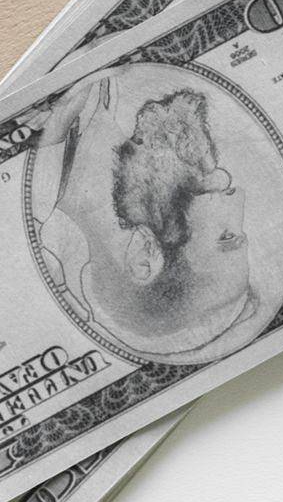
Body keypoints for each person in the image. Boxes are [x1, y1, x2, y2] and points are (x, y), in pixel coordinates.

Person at [32, 73, 259, 362]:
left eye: (226, 237)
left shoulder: (38, 163)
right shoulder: (104, 93)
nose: (230, 187)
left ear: (145, 256)